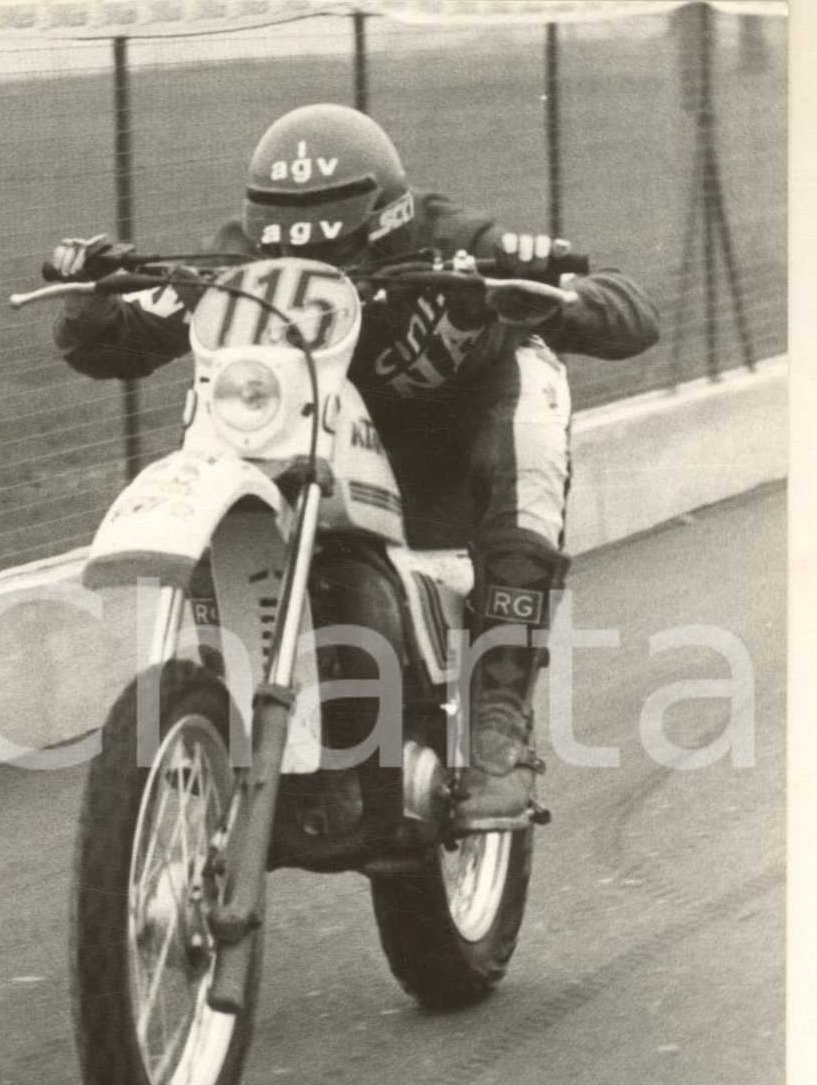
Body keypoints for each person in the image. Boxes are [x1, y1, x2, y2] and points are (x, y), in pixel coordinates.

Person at [50, 103, 659, 829]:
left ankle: (498, 724)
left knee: (527, 455)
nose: (316, 271)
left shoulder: (456, 243)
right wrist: (88, 299)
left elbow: (632, 312)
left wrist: (550, 296)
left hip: (467, 423)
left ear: (389, 222)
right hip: (334, 445)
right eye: (288, 249)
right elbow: (119, 339)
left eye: (338, 254)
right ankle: (239, 707)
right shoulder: (241, 263)